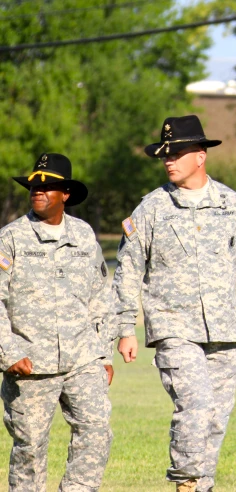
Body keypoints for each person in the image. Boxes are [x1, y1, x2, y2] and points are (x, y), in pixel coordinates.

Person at [112, 115, 236, 492]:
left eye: (176, 153)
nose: (169, 160)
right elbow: (127, 272)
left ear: (201, 155)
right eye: (165, 155)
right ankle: (185, 483)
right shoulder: (152, 209)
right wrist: (125, 328)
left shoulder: (232, 205)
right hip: (174, 329)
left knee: (214, 420)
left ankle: (201, 485)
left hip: (223, 331)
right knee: (194, 408)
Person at [0, 153, 116, 492]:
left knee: (96, 432)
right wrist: (8, 354)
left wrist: (103, 354)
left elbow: (99, 298)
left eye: (48, 186)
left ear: (65, 194)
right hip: (30, 366)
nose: (38, 191)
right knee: (30, 451)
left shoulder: (83, 235)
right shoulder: (10, 239)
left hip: (83, 360)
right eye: (34, 186)